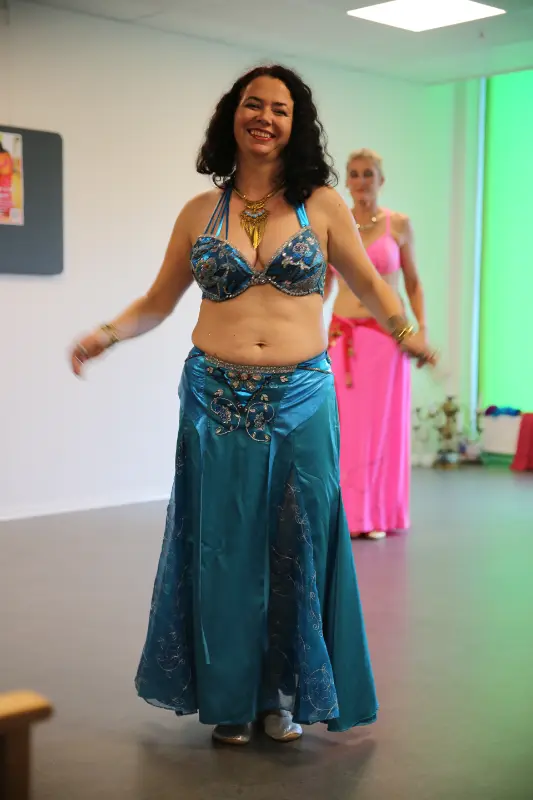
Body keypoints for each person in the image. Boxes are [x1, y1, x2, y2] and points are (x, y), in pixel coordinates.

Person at [70, 67, 435, 746]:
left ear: (296, 127)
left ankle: (283, 696)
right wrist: (107, 334)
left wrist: (407, 333)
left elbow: (371, 284)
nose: (265, 117)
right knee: (224, 548)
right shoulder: (198, 213)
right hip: (214, 398)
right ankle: (233, 696)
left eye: (280, 109)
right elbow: (158, 302)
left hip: (302, 397)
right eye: (253, 104)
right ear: (231, 116)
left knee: (298, 544)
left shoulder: (322, 205)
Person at [326, 149, 427, 540]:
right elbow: (323, 285)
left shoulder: (398, 224)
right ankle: (348, 515)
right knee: (345, 428)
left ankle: (378, 514)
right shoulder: (336, 224)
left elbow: (413, 282)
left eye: (368, 173)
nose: (361, 181)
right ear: (347, 181)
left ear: (380, 180)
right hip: (343, 336)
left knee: (383, 427)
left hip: (386, 340)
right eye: (354, 174)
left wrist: (420, 331)